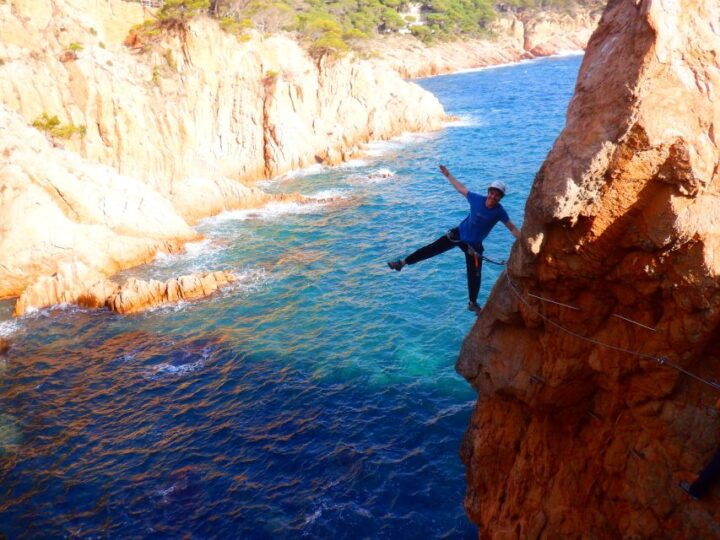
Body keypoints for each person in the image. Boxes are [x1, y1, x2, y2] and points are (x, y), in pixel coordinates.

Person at [387, 164, 521, 314]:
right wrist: (448, 175)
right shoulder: (477, 199)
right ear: (488, 192)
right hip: (458, 235)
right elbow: (461, 189)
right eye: (492, 193)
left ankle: (472, 303)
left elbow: (512, 228)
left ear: (500, 198)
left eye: (497, 195)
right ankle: (402, 263)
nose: (493, 196)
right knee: (431, 249)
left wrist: (524, 240)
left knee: (475, 274)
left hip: (474, 246)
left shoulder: (499, 212)